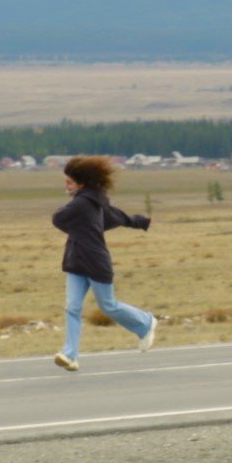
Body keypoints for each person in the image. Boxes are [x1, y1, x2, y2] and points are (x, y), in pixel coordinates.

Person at [51, 155, 154, 371]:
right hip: (76, 262)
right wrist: (139, 222)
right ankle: (70, 355)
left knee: (108, 306)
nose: (66, 185)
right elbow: (117, 216)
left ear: (82, 184)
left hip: (96, 263)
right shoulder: (95, 202)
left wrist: (77, 228)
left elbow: (58, 218)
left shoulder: (83, 203)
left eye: (69, 182)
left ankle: (145, 322)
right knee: (72, 307)